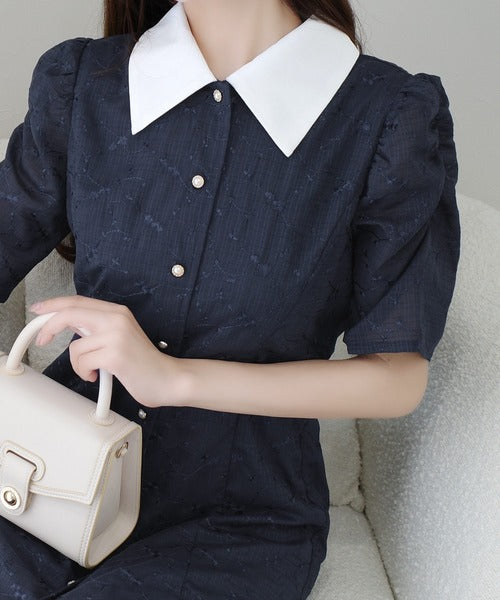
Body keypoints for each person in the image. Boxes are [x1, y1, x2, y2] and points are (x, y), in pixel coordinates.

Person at [0, 0, 460, 598]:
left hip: (238, 523)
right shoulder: (83, 84)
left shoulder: (388, 118)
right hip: (42, 475)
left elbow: (398, 378)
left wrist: (175, 379)